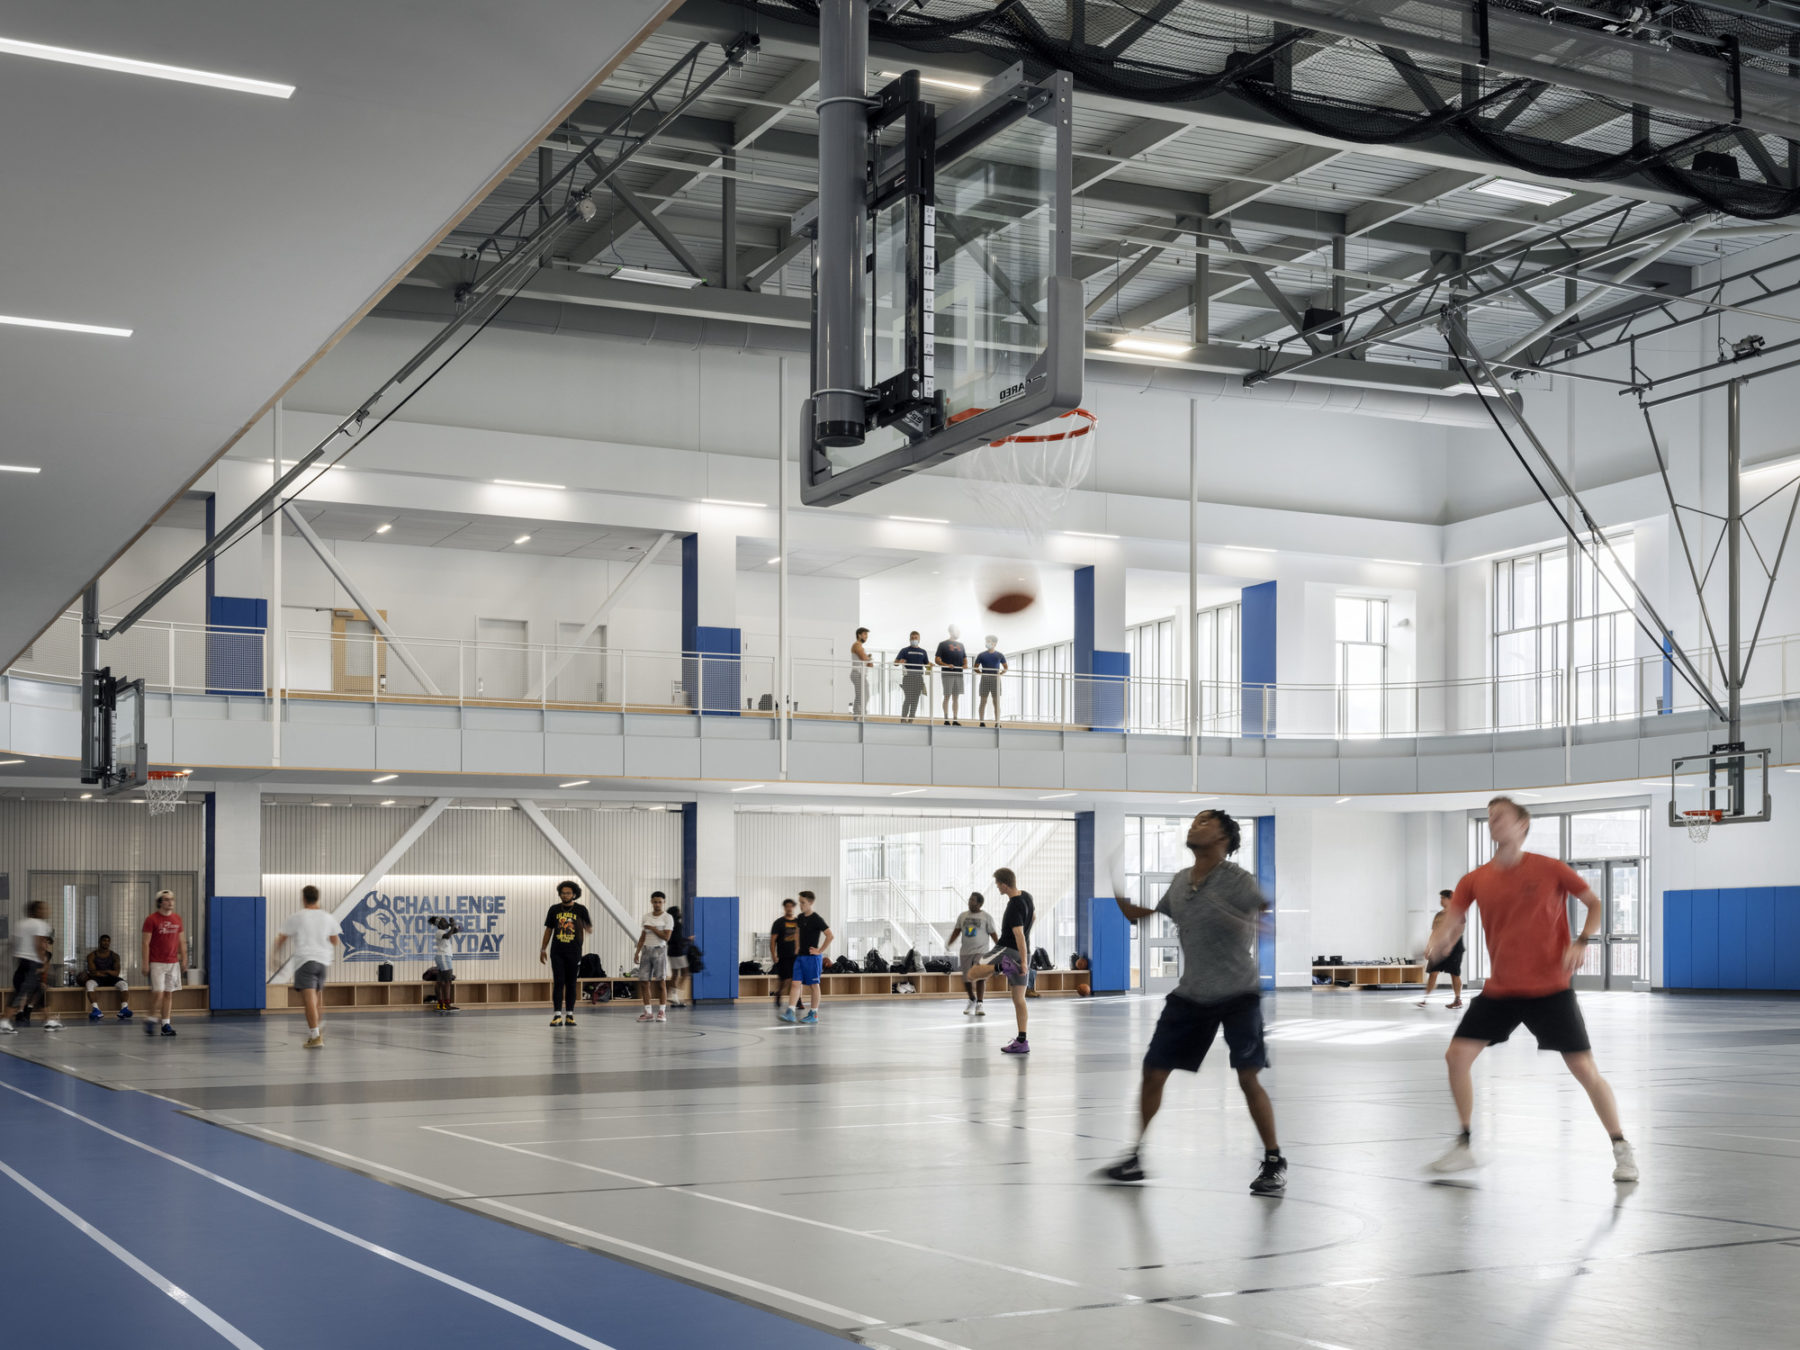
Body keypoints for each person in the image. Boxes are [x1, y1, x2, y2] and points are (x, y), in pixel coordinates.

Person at [1427, 796, 1638, 1182]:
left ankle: (1622, 1148)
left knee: (1585, 1070)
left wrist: (1583, 941)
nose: (1493, 824)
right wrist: (1439, 941)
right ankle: (1464, 1144)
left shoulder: (1551, 869)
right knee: (1456, 1057)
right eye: (1489, 819)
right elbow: (1454, 920)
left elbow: (1593, 903)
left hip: (1550, 990)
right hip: (1501, 991)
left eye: (1500, 818)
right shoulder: (1474, 879)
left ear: (1522, 825)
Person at [1102, 809, 1286, 1195]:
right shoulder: (1182, 881)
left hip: (1239, 993)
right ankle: (1135, 1156)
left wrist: (1254, 923)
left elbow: (1265, 914)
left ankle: (1273, 1160)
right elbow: (1148, 916)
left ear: (1223, 838)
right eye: (1194, 821)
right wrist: (1121, 899)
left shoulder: (1238, 881)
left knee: (1247, 1077)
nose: (1193, 825)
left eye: (1204, 822)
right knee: (1153, 1071)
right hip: (1192, 993)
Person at [969, 869, 1034, 1053]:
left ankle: (1001, 966)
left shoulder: (1013, 905)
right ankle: (1022, 1041)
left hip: (1007, 950)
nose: (997, 886)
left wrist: (1020, 962)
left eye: (997, 883)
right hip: (1024, 952)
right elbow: (1033, 918)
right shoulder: (1027, 897)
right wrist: (1024, 957)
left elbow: (1018, 934)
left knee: (973, 972)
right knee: (1019, 999)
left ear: (1004, 884)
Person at [272, 884, 342, 1049]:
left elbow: (282, 938)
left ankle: (315, 1036)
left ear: (303, 898)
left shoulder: (298, 917)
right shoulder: (327, 917)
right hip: (323, 962)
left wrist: (274, 956)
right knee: (317, 999)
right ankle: (317, 1031)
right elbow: (335, 940)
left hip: (305, 961)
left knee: (309, 1000)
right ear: (318, 898)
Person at [538, 880, 593, 1027]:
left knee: (571, 983)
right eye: (563, 893)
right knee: (558, 982)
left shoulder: (581, 910)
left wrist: (586, 927)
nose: (565, 895)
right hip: (557, 951)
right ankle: (557, 1015)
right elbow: (548, 930)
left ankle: (570, 1015)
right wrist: (543, 949)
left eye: (568, 893)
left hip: (574, 952)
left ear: (574, 894)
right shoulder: (554, 909)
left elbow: (589, 928)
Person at [0, 900, 59, 1033]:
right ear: (37, 911)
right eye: (44, 909)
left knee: (37, 990)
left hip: (22, 961)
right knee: (20, 992)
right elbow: (39, 944)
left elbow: (13, 944)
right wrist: (42, 964)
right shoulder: (41, 924)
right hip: (32, 962)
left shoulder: (20, 924)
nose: (47, 911)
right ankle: (3, 1022)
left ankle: (48, 1020)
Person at [139, 890, 186, 1037]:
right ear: (160, 902)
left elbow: (181, 941)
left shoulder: (177, 919)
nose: (170, 902)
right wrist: (145, 963)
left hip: (172, 962)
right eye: (166, 899)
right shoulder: (151, 919)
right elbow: (145, 942)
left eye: (172, 899)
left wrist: (184, 958)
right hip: (157, 962)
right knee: (158, 993)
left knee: (168, 994)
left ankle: (166, 1024)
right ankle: (151, 1017)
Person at [950, 892, 998, 1015]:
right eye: (969, 900)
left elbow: (993, 934)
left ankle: (980, 1004)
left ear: (980, 903)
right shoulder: (962, 916)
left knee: (980, 977)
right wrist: (949, 943)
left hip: (982, 951)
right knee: (967, 978)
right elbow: (957, 931)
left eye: (973, 900)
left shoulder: (986, 917)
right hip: (966, 952)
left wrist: (999, 947)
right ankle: (972, 999)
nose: (970, 902)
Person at [1418, 889, 1464, 1009]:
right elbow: (1434, 933)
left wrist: (1450, 945)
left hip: (1454, 947)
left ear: (1450, 899)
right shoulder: (1438, 915)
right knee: (1433, 973)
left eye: (1443, 898)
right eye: (1441, 898)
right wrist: (1428, 947)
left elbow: (1459, 930)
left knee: (1454, 974)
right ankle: (1425, 999)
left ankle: (1457, 1000)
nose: (1441, 900)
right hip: (1438, 947)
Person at [792, 891, 832, 1024]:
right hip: (800, 957)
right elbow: (797, 933)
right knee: (795, 983)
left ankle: (814, 1013)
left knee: (814, 985)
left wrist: (820, 950)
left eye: (803, 903)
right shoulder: (800, 917)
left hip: (812, 958)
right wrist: (797, 947)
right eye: (800, 902)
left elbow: (830, 935)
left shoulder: (817, 919)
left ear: (811, 903)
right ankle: (791, 1010)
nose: (800, 905)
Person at [634, 891, 674, 1022]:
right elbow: (643, 936)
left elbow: (666, 937)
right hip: (646, 950)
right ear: (651, 902)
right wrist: (637, 952)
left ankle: (662, 1012)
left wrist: (653, 927)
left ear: (664, 903)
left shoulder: (667, 918)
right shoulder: (646, 917)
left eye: (660, 902)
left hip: (659, 951)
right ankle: (648, 1012)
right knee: (644, 982)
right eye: (655, 902)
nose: (657, 904)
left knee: (661, 982)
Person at [84, 934, 132, 1022]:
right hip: (97, 978)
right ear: (99, 942)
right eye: (104, 941)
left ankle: (124, 1009)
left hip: (111, 978)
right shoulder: (91, 955)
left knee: (124, 984)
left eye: (108, 941)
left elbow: (116, 973)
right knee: (89, 984)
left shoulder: (115, 956)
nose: (106, 943)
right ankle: (96, 1010)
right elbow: (92, 971)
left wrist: (103, 972)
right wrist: (108, 971)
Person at [771, 898, 803, 1021]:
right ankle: (778, 993)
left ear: (794, 908)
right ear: (784, 908)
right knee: (784, 980)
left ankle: (798, 1000)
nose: (789, 908)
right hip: (783, 956)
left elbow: (802, 937)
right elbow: (773, 940)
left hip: (797, 956)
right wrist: (774, 954)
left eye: (791, 906)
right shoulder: (779, 923)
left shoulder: (798, 922)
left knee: (795, 979)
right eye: (787, 906)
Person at [935, 625, 968, 726]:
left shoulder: (961, 645)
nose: (958, 633)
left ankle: (955, 719)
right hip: (947, 673)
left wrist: (965, 664)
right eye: (957, 631)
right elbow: (937, 659)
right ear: (951, 631)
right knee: (947, 696)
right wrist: (946, 665)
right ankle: (946, 719)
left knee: (956, 697)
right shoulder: (943, 644)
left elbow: (964, 658)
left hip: (958, 674)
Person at [894, 631, 930, 723]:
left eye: (916, 638)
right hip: (908, 677)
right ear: (910, 639)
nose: (914, 639)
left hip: (919, 677)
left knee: (916, 699)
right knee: (908, 698)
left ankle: (911, 718)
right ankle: (903, 718)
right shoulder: (904, 650)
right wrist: (900, 662)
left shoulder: (923, 652)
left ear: (919, 639)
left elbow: (927, 664)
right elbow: (895, 663)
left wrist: (931, 665)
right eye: (912, 638)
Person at [428, 915, 460, 1011]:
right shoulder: (439, 932)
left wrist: (453, 925)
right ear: (440, 925)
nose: (446, 923)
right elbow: (447, 936)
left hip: (443, 957)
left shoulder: (443, 931)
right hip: (444, 957)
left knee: (441, 981)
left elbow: (455, 931)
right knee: (447, 981)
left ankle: (440, 1004)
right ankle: (447, 1004)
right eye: (444, 922)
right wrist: (452, 926)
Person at [974, 636, 1007, 727]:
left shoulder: (999, 655)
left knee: (996, 701)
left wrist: (1000, 674)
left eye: (989, 641)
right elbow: (975, 667)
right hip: (985, 677)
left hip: (995, 678)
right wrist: (981, 673)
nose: (987, 643)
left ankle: (997, 722)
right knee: (983, 701)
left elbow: (1006, 667)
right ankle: (981, 721)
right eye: (986, 641)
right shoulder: (981, 655)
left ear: (994, 643)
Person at [666, 903, 690, 1008]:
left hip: (671, 951)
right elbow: (678, 939)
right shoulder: (678, 924)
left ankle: (674, 997)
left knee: (675, 974)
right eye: (678, 911)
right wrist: (689, 939)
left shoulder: (669, 924)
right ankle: (676, 996)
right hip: (678, 952)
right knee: (685, 973)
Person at [850, 627, 872, 719]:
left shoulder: (861, 647)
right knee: (860, 695)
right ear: (859, 635)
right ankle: (857, 715)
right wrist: (868, 658)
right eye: (865, 634)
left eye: (867, 635)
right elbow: (863, 658)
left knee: (866, 695)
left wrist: (868, 659)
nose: (866, 636)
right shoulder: (857, 645)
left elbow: (870, 664)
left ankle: (861, 714)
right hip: (857, 673)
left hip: (862, 675)